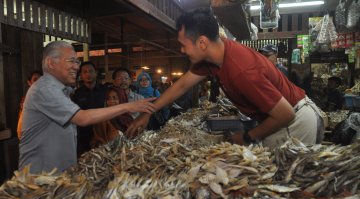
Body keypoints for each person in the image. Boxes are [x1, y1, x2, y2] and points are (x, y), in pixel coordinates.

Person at [126, 8, 324, 148]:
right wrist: (148, 113)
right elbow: (182, 85)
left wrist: (247, 136)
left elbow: (285, 115)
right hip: (283, 117)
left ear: (202, 42)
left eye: (183, 44)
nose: (181, 50)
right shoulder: (216, 56)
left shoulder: (242, 70)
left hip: (295, 123)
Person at [19, 41, 156, 174]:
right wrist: (127, 106)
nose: (76, 67)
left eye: (76, 62)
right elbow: (82, 118)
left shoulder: (61, 90)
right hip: (40, 178)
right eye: (71, 61)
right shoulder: (44, 89)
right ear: (51, 62)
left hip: (57, 176)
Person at [72, 61, 108, 155]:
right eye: (85, 72)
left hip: (103, 132)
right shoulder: (77, 93)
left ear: (96, 73)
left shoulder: (105, 90)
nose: (88, 74)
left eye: (91, 71)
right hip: (84, 134)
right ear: (81, 75)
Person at [17, 70, 42, 139]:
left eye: (41, 80)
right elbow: (20, 131)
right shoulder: (26, 101)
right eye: (35, 80)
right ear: (29, 83)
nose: (38, 82)